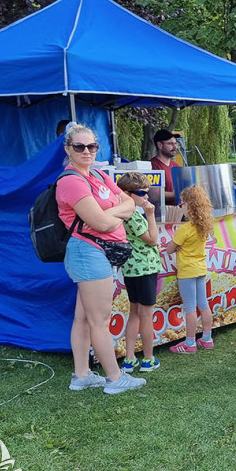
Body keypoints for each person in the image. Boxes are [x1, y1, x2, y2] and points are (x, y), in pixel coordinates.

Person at [56, 124, 145, 394]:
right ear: (68, 149)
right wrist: (118, 211)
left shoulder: (97, 175)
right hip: (89, 252)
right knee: (99, 320)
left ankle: (81, 375)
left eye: (91, 146)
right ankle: (115, 379)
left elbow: (131, 204)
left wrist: (114, 212)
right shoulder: (71, 181)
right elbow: (102, 223)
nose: (86, 151)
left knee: (84, 318)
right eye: (79, 147)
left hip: (97, 253)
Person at [116, 172, 162, 373]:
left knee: (134, 312)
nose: (147, 197)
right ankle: (149, 358)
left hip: (131, 269)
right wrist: (150, 215)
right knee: (145, 314)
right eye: (142, 193)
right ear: (127, 193)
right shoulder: (133, 215)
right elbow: (152, 239)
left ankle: (129, 358)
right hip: (145, 268)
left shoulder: (120, 212)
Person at [166, 185, 215, 353]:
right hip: (201, 269)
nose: (181, 207)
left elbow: (169, 249)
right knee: (204, 304)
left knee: (190, 308)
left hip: (187, 271)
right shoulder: (203, 226)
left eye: (182, 204)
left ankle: (190, 342)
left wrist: (174, 246)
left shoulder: (184, 228)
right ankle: (207, 338)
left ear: (188, 205)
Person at [150, 129, 181, 204]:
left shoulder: (176, 165)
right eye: (170, 144)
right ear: (160, 145)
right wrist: (181, 195)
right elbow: (155, 195)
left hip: (178, 211)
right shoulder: (152, 166)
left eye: (175, 143)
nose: (175, 147)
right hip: (161, 212)